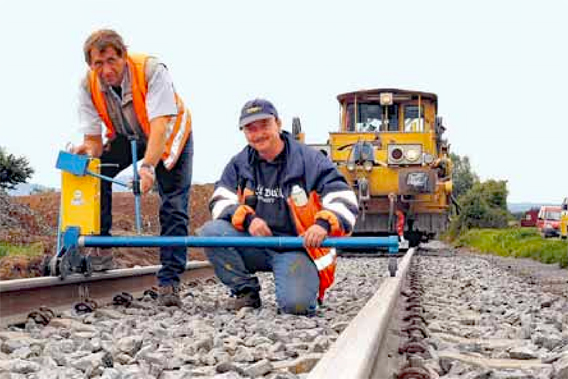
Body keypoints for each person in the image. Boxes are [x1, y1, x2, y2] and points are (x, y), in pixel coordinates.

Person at [199, 99, 358, 315]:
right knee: (211, 232)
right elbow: (220, 200)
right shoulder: (239, 163)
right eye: (250, 128)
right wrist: (248, 220)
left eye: (264, 125)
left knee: (296, 307)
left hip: (296, 247)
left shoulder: (309, 160)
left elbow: (342, 195)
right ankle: (246, 292)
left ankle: (302, 287)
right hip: (256, 244)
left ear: (278, 123)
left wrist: (322, 224)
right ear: (244, 132)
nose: (258, 134)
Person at [72, 29, 193, 306]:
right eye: (98, 64)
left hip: (169, 132)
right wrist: (87, 152)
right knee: (96, 172)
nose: (106, 70)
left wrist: (148, 167)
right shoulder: (86, 85)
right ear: (90, 65)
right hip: (128, 133)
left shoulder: (151, 70)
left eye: (112, 60)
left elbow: (160, 125)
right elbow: (93, 139)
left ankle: (170, 281)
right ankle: (101, 252)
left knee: (172, 202)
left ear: (124, 56)